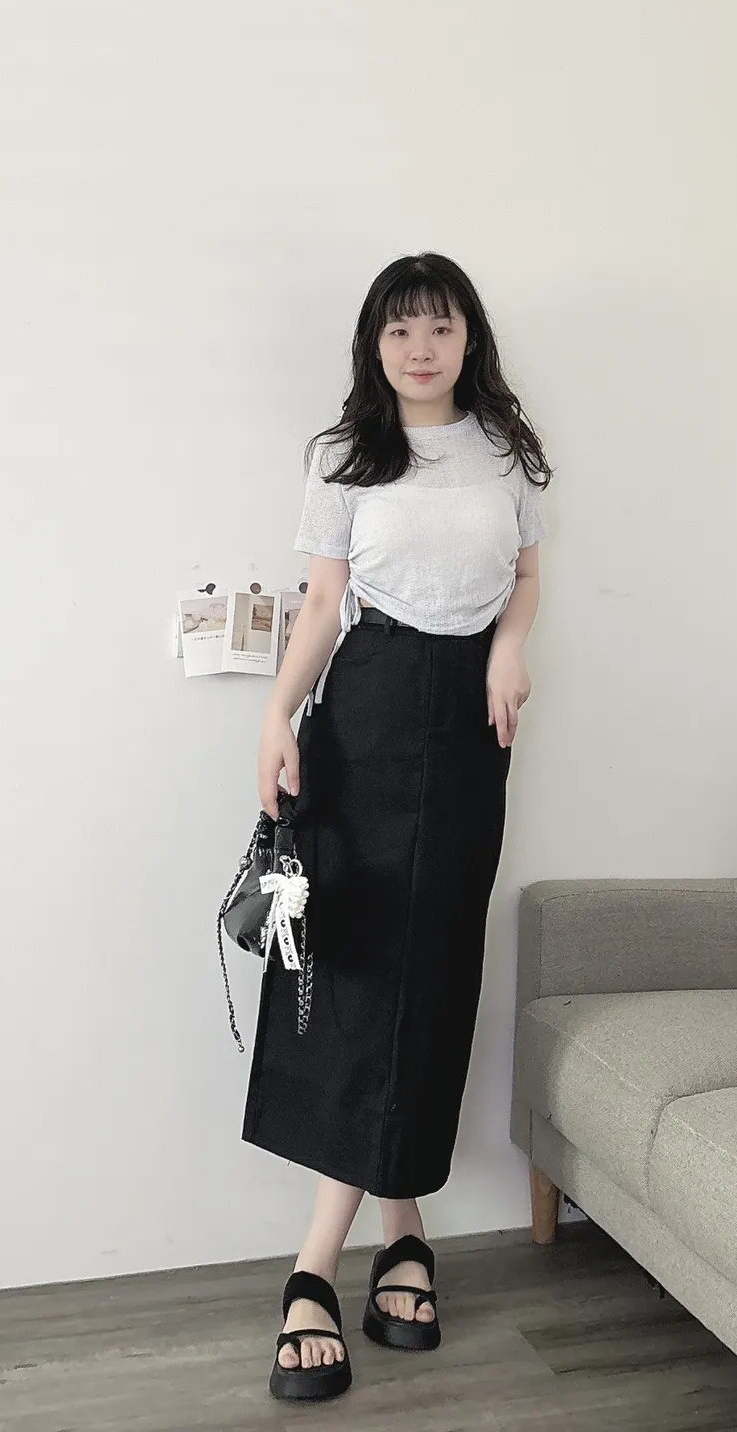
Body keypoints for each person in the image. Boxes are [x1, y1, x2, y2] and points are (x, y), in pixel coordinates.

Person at [243, 251, 552, 1402]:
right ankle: (335, 1256)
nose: (421, 348)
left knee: (436, 969)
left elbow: (527, 577)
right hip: (363, 715)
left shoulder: (506, 451)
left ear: (470, 339)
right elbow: (325, 605)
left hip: (472, 728)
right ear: (375, 346)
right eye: (399, 330)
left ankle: (393, 1230)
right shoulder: (345, 455)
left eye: (441, 327)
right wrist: (276, 715)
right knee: (359, 969)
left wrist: (511, 646)